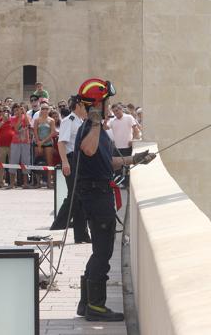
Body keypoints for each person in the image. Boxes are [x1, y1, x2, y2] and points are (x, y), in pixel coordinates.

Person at [72, 78, 156, 322]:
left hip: (99, 194)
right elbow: (88, 150)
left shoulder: (97, 130)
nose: (109, 108)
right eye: (105, 104)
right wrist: (97, 121)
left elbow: (107, 161)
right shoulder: (90, 128)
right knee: (103, 251)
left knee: (99, 251)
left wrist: (134, 160)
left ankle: (85, 304)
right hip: (97, 197)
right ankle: (96, 308)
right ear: (97, 105)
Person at [50, 97, 91, 245]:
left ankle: (81, 235)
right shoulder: (69, 120)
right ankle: (58, 225)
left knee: (80, 198)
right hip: (71, 158)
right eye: (84, 106)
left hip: (80, 160)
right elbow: (61, 142)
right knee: (74, 195)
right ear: (78, 105)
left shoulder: (80, 121)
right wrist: (65, 162)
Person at [8, 103, 32, 189]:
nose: (18, 111)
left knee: (25, 162)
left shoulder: (26, 117)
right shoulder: (12, 118)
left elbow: (29, 124)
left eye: (19, 109)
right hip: (15, 142)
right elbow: (16, 128)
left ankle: (25, 183)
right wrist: (19, 117)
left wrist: (24, 113)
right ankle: (11, 183)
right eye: (16, 110)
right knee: (13, 162)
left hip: (25, 142)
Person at [33, 103, 56, 188]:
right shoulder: (37, 120)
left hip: (48, 143)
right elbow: (35, 131)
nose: (45, 110)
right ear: (40, 110)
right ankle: (38, 182)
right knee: (38, 162)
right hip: (38, 143)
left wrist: (43, 142)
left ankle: (49, 182)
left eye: (46, 109)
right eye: (43, 108)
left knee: (49, 163)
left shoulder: (51, 120)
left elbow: (52, 133)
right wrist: (39, 142)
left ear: (48, 110)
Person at [0, 106, 14, 188]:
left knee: (12, 165)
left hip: (12, 145)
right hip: (1, 146)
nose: (5, 112)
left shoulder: (13, 120)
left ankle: (12, 182)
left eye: (7, 110)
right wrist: (2, 121)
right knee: (0, 165)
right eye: (3, 110)